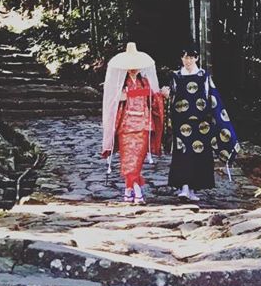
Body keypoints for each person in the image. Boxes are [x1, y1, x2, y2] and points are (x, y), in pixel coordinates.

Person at [162, 45, 239, 201]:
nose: (187, 60)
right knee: (183, 155)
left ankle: (193, 189)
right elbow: (171, 97)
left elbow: (212, 97)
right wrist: (166, 95)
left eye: (191, 57)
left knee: (199, 155)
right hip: (181, 122)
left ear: (196, 58)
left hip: (201, 124)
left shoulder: (204, 76)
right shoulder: (176, 76)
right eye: (185, 57)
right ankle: (184, 187)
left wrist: (218, 121)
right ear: (181, 59)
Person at [101, 42, 164, 204]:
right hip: (126, 127)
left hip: (143, 125)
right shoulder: (121, 83)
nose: (133, 68)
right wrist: (124, 94)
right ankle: (136, 191)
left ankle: (128, 190)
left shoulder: (145, 82)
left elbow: (153, 99)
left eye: (136, 65)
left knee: (137, 160)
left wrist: (161, 95)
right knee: (128, 160)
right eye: (130, 66)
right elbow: (115, 99)